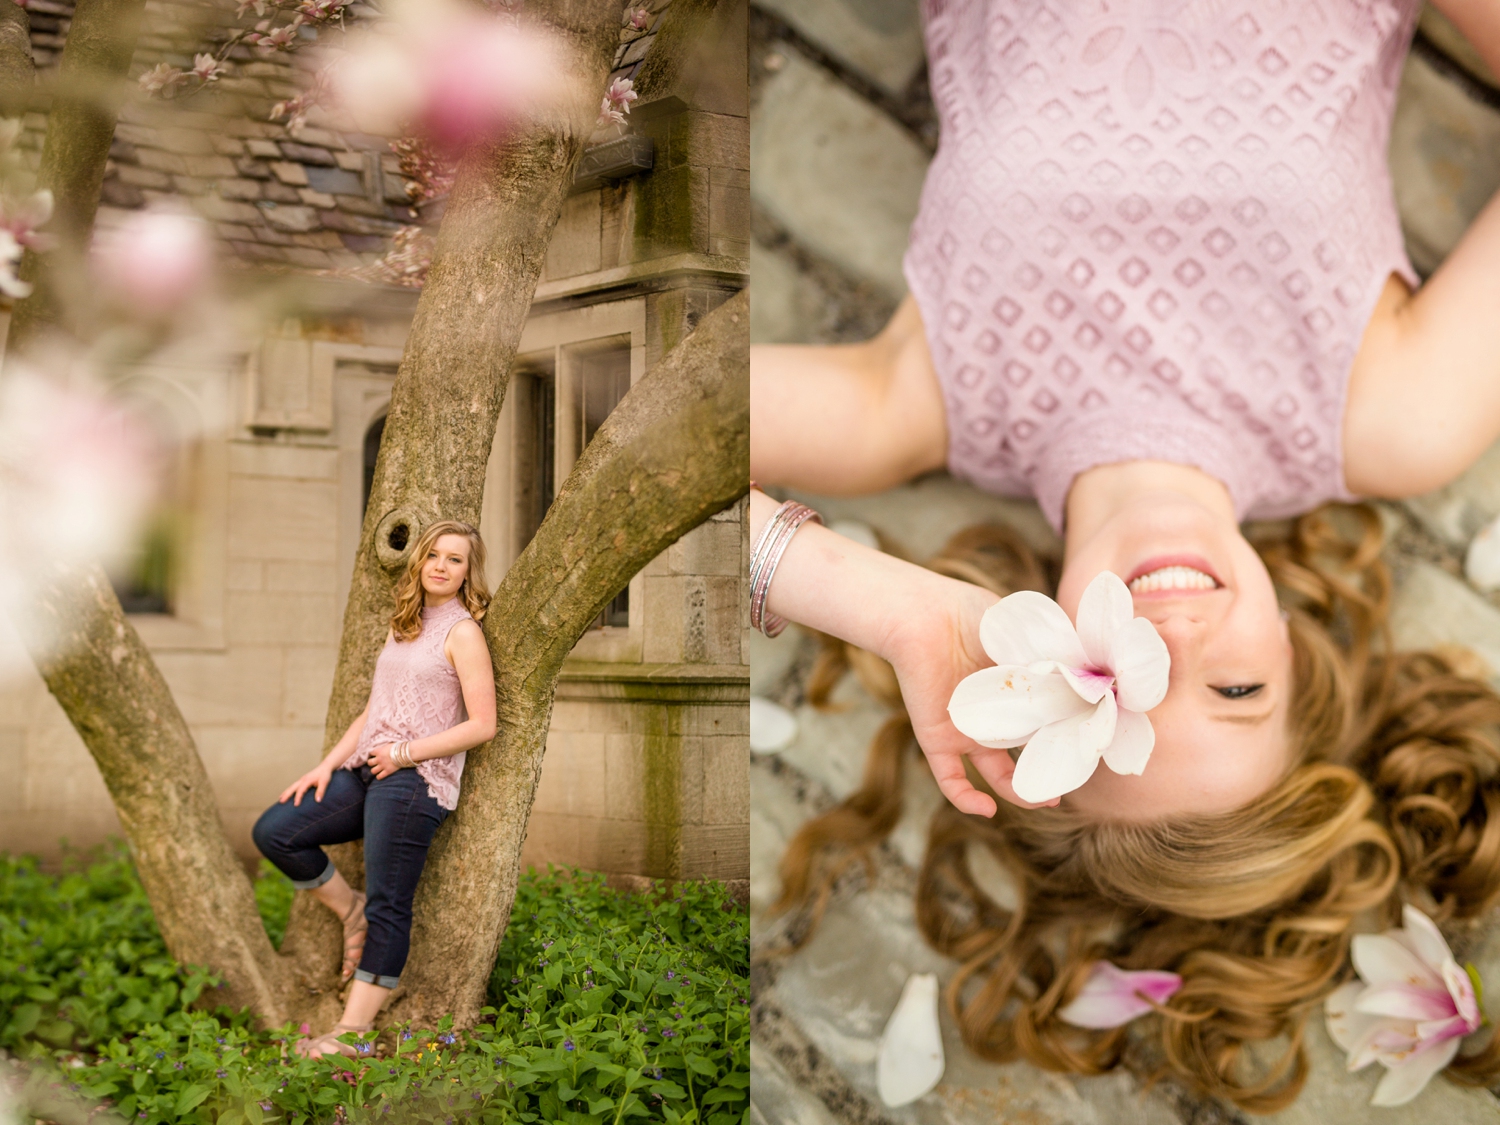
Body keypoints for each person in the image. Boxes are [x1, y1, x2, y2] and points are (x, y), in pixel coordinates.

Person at [750, 0, 1500, 1109]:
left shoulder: (911, 407)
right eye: (1236, 689)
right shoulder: (1390, 419)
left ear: (1024, 687)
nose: (1171, 643)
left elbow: (608, 440)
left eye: (1120, 707)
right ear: (1295, 648)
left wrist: (874, 602)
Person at [252, 520, 496, 1058]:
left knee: (392, 903)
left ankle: (352, 1033)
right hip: (367, 768)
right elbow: (373, 710)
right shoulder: (404, 624)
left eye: (454, 559)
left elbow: (483, 724)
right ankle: (348, 910)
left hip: (414, 780)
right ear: (419, 561)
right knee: (276, 831)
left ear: (467, 572)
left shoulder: (463, 634)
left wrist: (405, 754)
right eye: (433, 554)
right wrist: (325, 767)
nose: (440, 565)